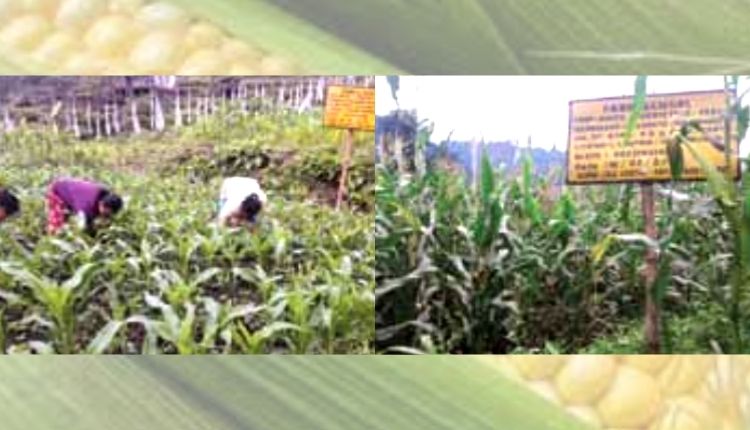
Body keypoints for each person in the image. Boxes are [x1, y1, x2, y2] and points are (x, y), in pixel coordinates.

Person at [46, 178, 123, 235]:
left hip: (73, 194)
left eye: (108, 214)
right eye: (106, 214)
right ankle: (50, 242)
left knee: (67, 219)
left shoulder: (105, 196)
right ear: (102, 204)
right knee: (57, 224)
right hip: (58, 190)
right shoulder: (85, 206)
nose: (105, 216)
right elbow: (81, 227)